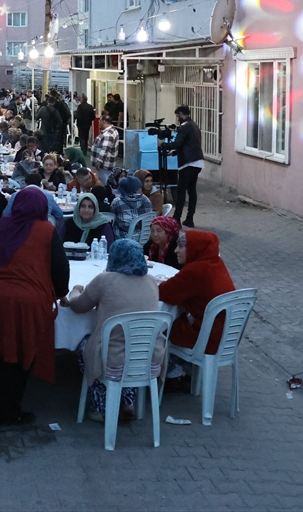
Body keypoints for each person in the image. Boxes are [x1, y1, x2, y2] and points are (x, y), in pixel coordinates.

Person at [0, 187, 70, 427]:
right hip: (25, 300)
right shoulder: (46, 231)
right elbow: (60, 268)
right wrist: (61, 293)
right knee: (20, 352)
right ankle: (8, 410)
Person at [65, 238, 163, 422]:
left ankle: (100, 408)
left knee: (85, 349)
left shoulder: (105, 280)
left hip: (112, 358)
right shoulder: (151, 281)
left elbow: (78, 306)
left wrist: (75, 291)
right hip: (148, 355)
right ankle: (128, 401)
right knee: (133, 341)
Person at [158, 229, 235, 360]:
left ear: (194, 248)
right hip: (226, 333)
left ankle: (170, 370)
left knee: (160, 327)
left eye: (181, 247)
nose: (176, 250)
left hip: (205, 335)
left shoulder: (196, 271)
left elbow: (164, 293)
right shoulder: (215, 263)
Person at [169, 105, 204, 227]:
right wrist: (174, 152)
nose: (177, 118)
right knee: (192, 190)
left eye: (178, 115)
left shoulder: (184, 127)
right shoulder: (194, 125)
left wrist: (163, 145)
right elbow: (188, 144)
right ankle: (190, 218)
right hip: (197, 161)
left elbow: (178, 143)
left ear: (181, 114)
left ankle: (176, 218)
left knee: (181, 191)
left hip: (187, 163)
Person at [110, 176, 152, 241]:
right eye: (139, 187)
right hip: (143, 238)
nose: (141, 189)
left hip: (123, 239)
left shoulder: (117, 201)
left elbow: (111, 217)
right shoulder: (146, 199)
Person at [91, 113, 120, 187]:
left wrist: (98, 162)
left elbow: (104, 150)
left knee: (105, 184)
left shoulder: (108, 134)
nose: (98, 123)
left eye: (99, 121)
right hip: (107, 164)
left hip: (105, 165)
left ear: (104, 121)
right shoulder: (112, 131)